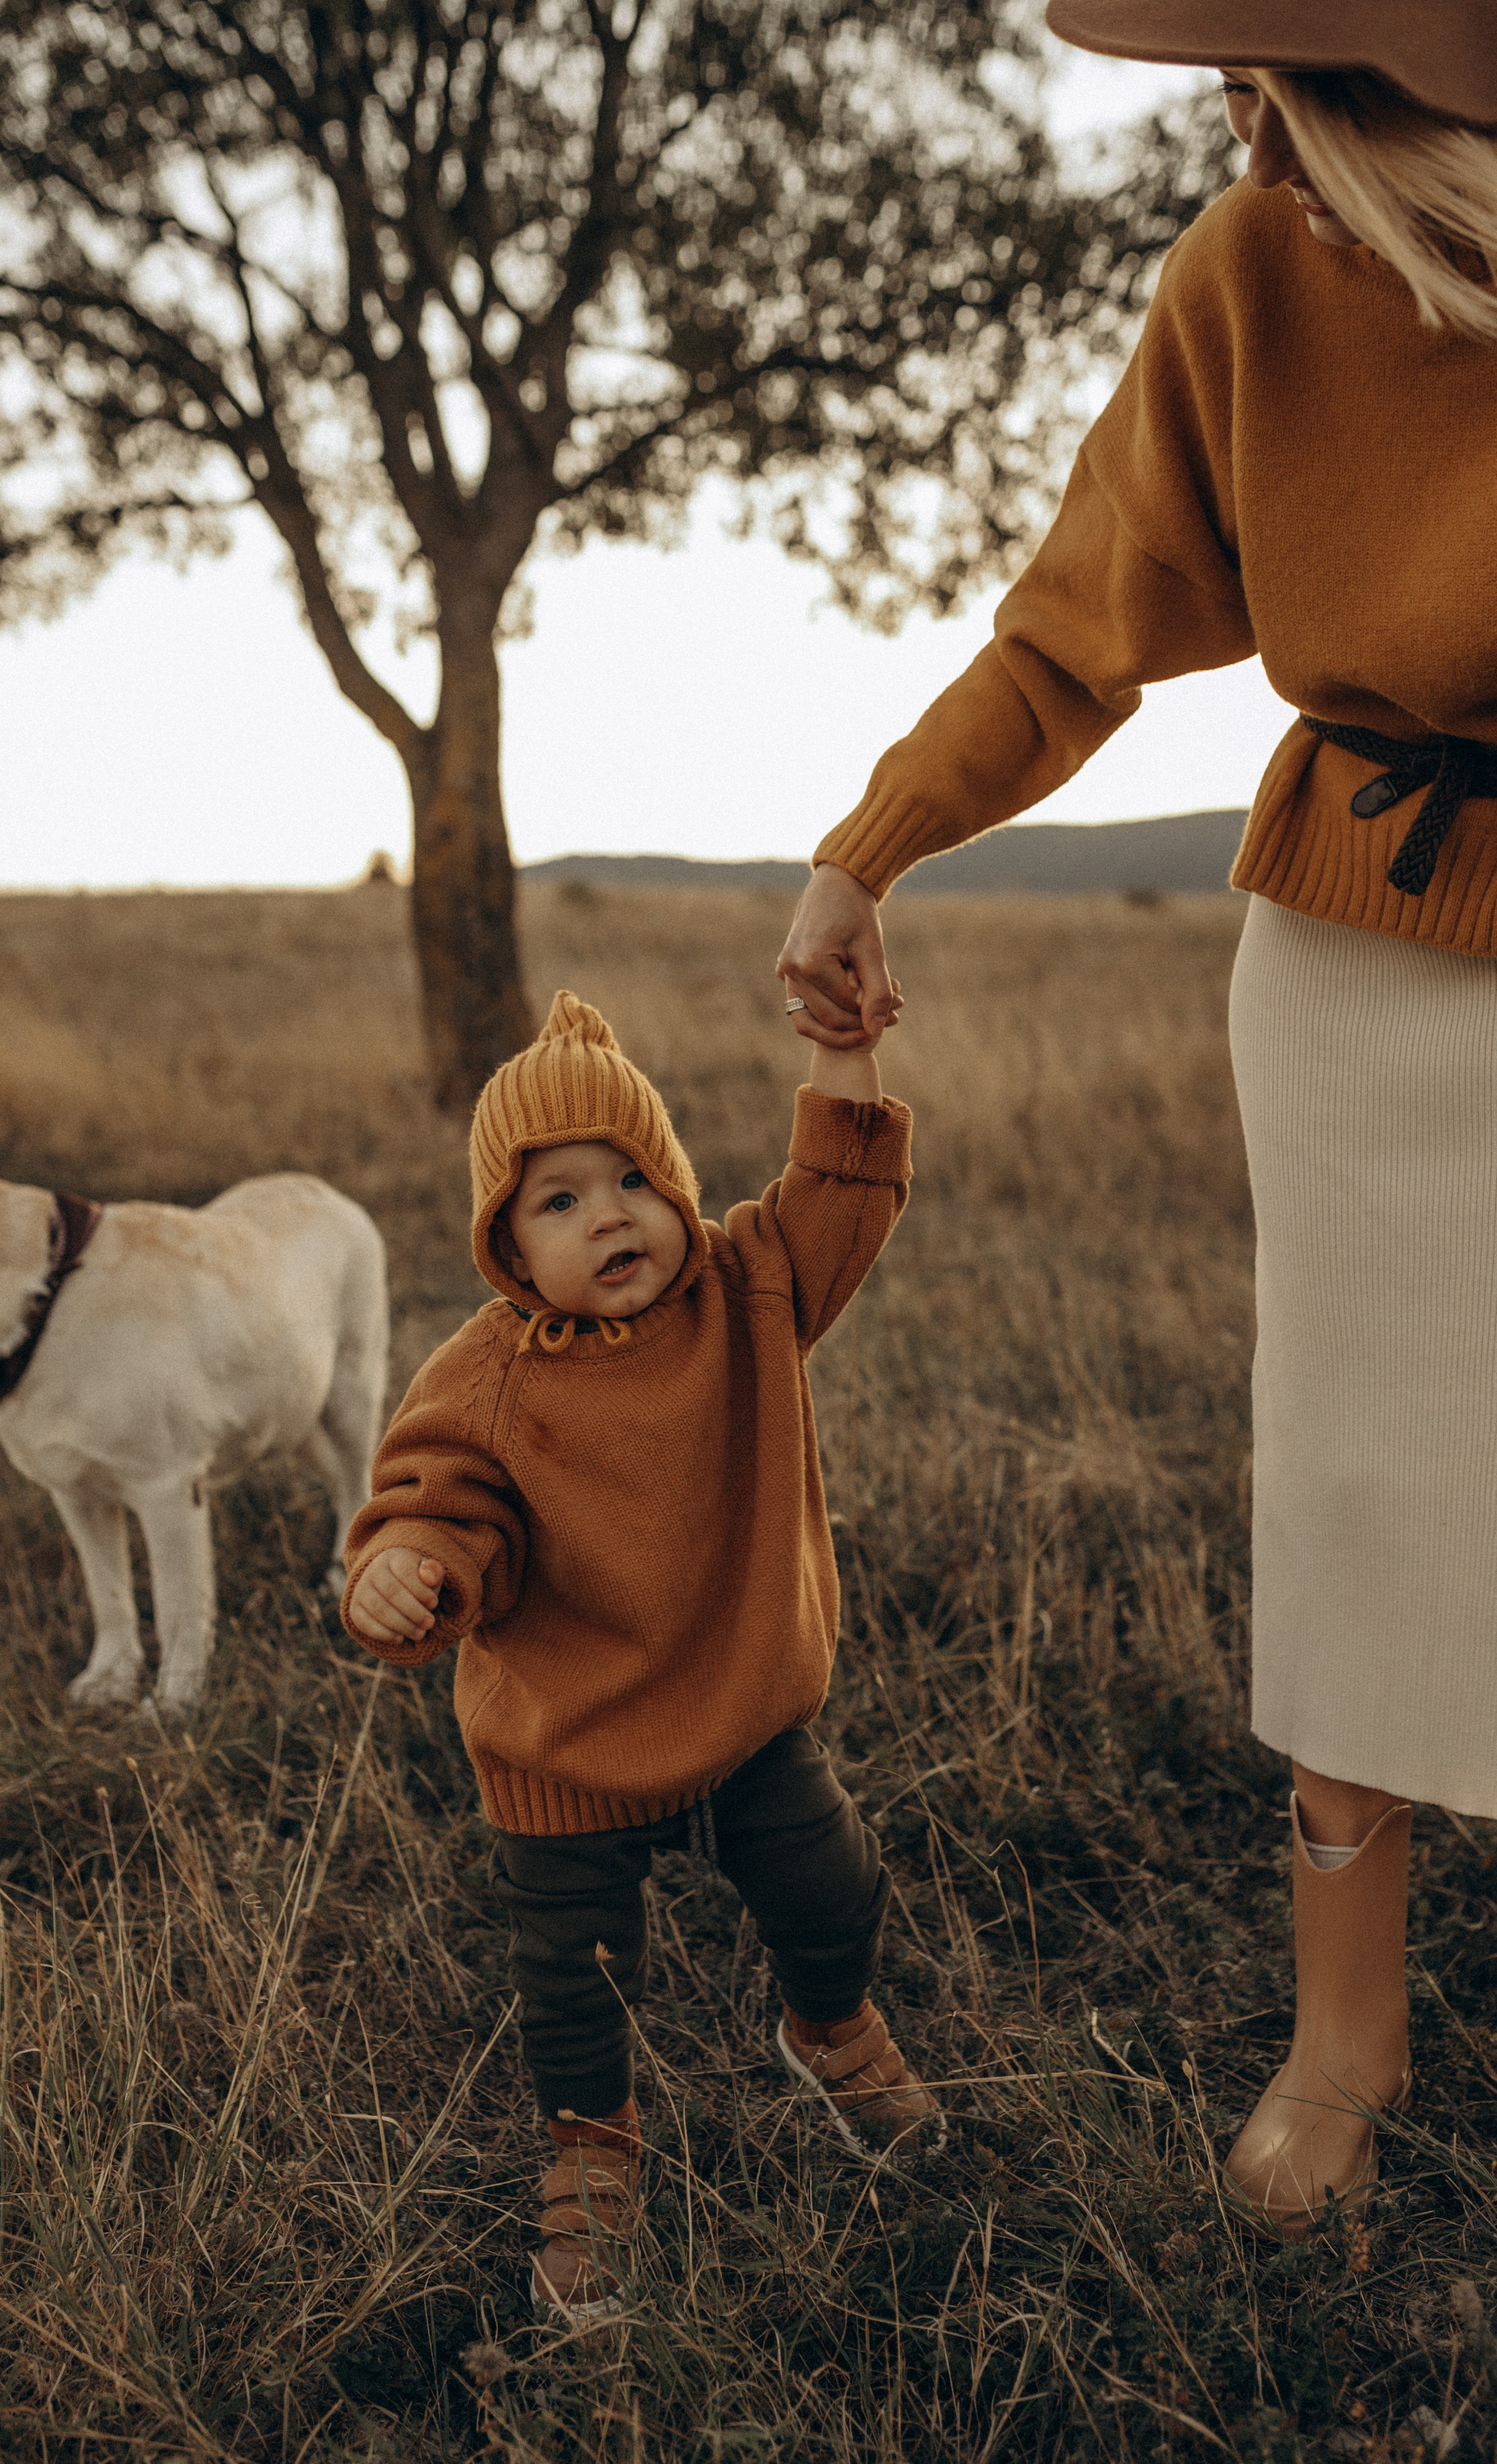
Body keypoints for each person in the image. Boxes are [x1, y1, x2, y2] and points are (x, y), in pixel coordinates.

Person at [778, 0, 1497, 2236]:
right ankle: (1342, 2040)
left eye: (1265, 33)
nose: (1223, 79)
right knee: (1373, 1483)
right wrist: (866, 845)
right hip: (1371, 951)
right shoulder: (1254, 272)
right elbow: (1078, 626)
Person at [341, 986, 931, 2325]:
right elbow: (436, 1502)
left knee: (830, 1886)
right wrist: (407, 1571)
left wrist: (843, 1050)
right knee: (575, 1979)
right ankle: (592, 2151)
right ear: (504, 1245)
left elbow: (840, 1190)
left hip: (739, 1715)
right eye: (556, 1202)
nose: (606, 1214)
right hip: (567, 1745)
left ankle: (826, 2028)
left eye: (627, 1178)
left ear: (674, 1185)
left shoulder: (751, 1291)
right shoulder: (487, 1379)